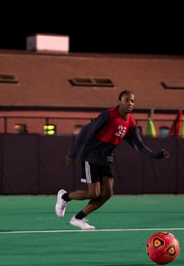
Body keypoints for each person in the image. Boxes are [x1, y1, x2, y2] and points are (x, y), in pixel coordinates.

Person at [55, 90, 170, 230]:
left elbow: (138, 144)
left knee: (108, 193)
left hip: (106, 158)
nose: (130, 103)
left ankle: (78, 218)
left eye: (132, 101)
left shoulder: (131, 123)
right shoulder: (108, 115)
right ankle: (64, 197)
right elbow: (86, 131)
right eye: (126, 100)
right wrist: (72, 153)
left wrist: (155, 155)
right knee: (93, 193)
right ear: (119, 102)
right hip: (91, 155)